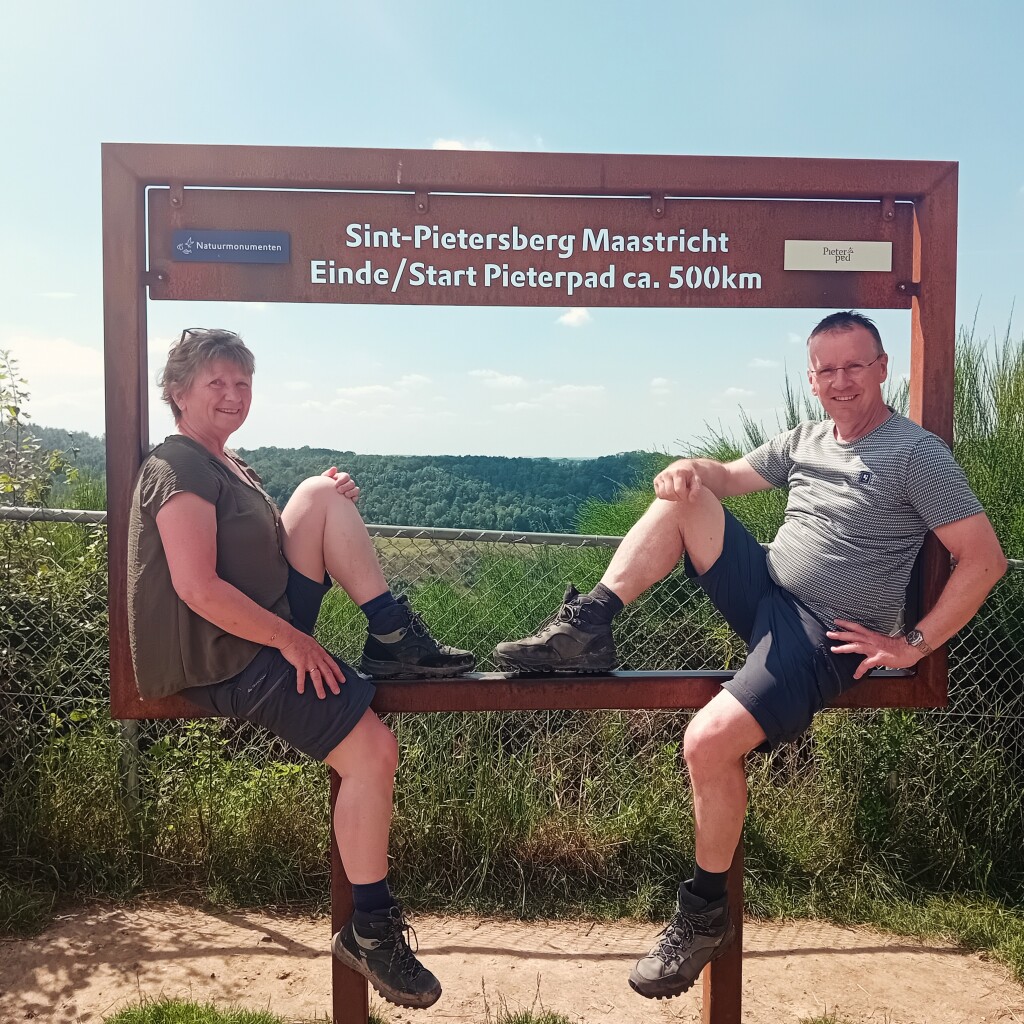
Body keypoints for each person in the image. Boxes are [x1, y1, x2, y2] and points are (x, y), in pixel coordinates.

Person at [493, 311, 1007, 1000]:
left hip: (821, 633)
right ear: (811, 378)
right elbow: (727, 477)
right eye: (826, 369)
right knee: (686, 498)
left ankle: (704, 912)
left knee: (706, 742)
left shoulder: (916, 454)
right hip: (766, 590)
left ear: (883, 369)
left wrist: (911, 643)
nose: (841, 381)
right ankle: (589, 625)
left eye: (855, 366)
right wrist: (686, 470)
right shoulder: (806, 439)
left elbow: (984, 560)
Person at [127, 328, 476, 1010]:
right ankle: (370, 931)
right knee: (372, 751)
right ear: (177, 392)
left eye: (242, 383)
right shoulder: (179, 466)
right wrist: (291, 641)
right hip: (227, 655)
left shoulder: (227, 463)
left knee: (321, 492)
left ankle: (393, 636)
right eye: (216, 383)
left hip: (262, 626)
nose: (233, 395)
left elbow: (272, 542)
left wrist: (328, 500)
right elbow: (197, 587)